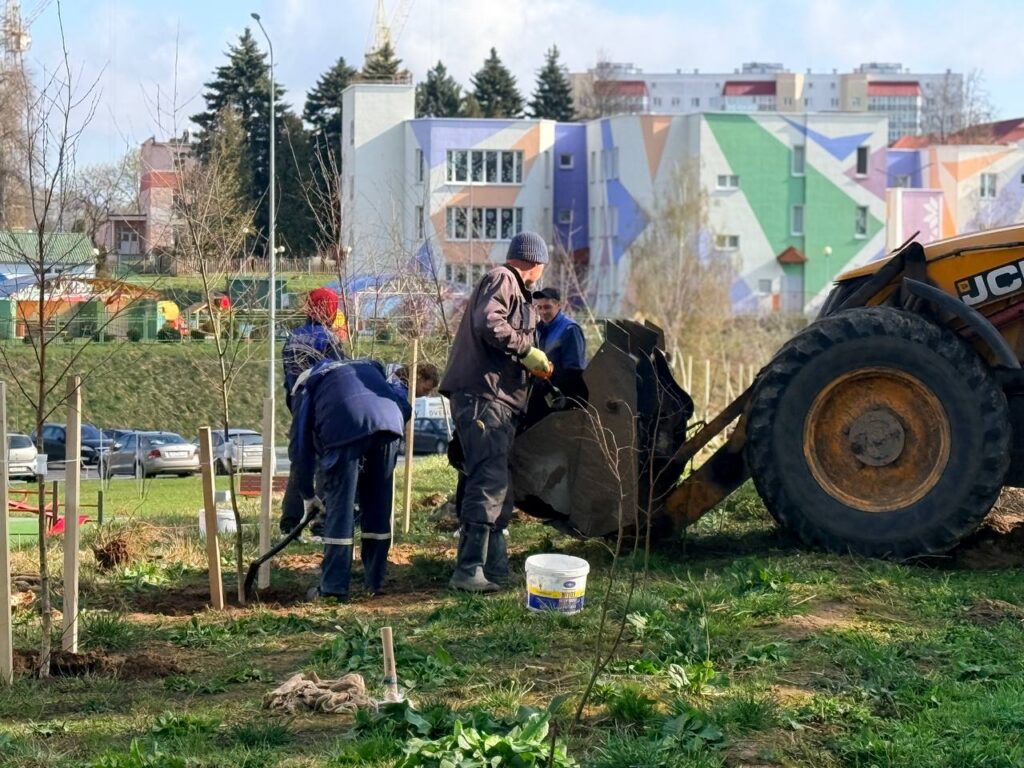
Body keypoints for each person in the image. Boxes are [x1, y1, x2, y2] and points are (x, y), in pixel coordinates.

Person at [440, 231, 553, 593]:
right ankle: (469, 570)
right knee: (488, 482)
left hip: (497, 400)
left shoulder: (517, 290)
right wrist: (526, 350)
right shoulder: (502, 278)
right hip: (485, 398)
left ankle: (495, 566)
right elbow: (489, 322)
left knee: (497, 482)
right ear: (535, 263)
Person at [289, 358, 438, 601]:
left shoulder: (307, 389)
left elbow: (300, 451)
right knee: (378, 505)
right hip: (389, 425)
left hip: (346, 428)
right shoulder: (369, 368)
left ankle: (333, 589)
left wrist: (307, 495)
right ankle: (375, 580)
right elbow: (402, 404)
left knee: (341, 509)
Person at [279, 288, 347, 535]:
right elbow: (340, 376)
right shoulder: (330, 340)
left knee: (300, 461)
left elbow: (288, 380)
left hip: (299, 403)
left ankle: (289, 525)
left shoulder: (292, 338)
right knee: (325, 463)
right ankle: (320, 524)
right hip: (324, 405)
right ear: (329, 309)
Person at [534, 287, 586, 374]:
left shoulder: (570, 329)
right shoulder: (538, 328)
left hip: (561, 386)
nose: (543, 312)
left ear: (558, 305)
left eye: (547, 307)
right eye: (539, 307)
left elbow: (575, 370)